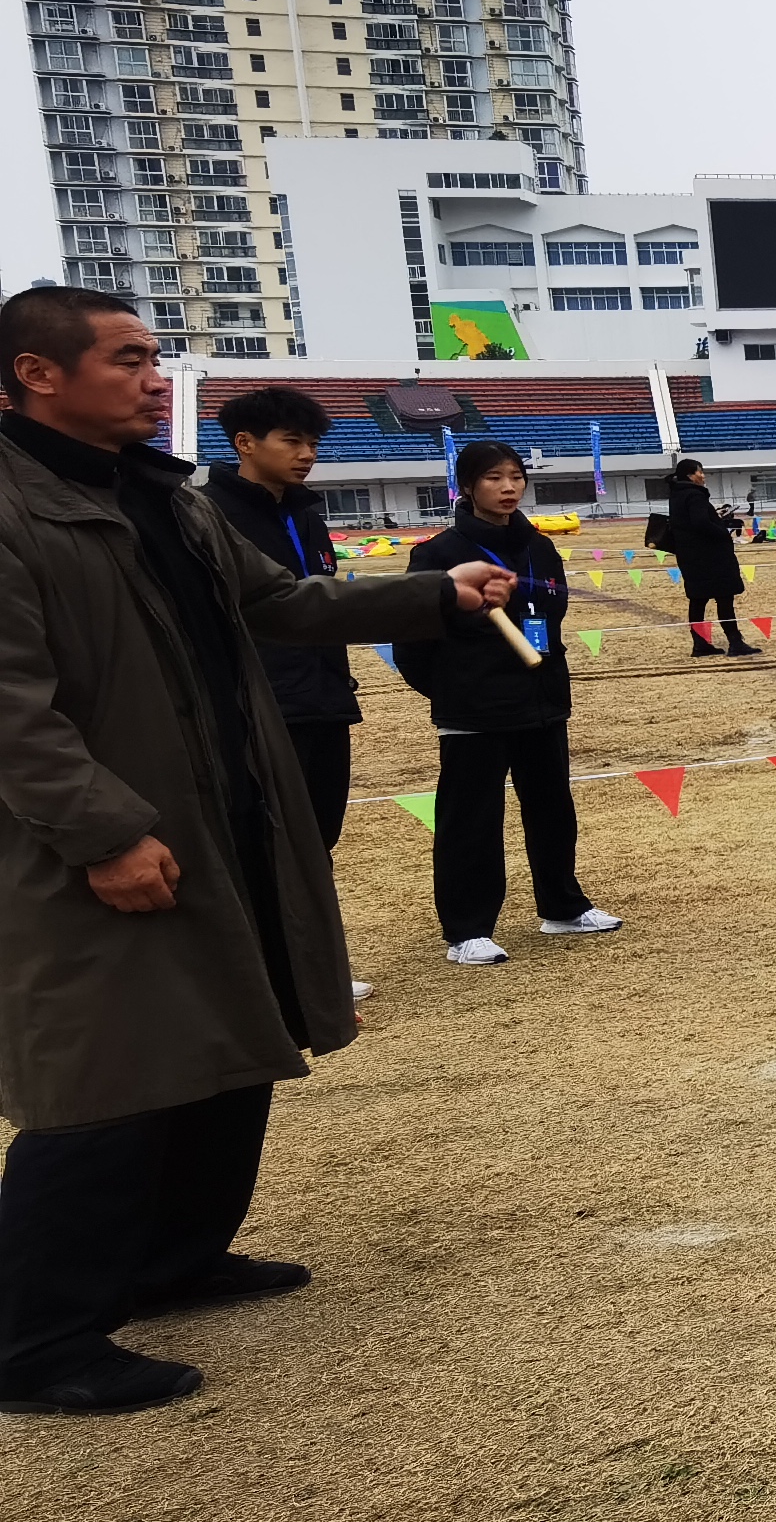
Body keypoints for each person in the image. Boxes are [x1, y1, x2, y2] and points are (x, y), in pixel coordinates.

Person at [0, 291, 518, 1415]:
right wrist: (102, 832)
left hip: (223, 816)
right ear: (39, 375)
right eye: (128, 359)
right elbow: (11, 711)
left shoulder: (164, 496)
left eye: (153, 357)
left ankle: (176, 1260)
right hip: (97, 840)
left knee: (234, 1039)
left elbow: (281, 603)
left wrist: (436, 593)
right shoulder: (13, 506)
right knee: (104, 1078)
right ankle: (36, 1342)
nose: (155, 378)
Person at [398, 440, 616, 968]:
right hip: (474, 710)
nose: (508, 487)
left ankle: (562, 907)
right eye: (494, 478)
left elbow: (552, 616)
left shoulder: (540, 547)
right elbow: (412, 642)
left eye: (516, 477)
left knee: (552, 808)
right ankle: (467, 929)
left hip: (541, 701)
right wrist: (455, 690)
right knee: (470, 819)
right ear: (467, 486)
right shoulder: (439, 554)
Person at [202, 390, 370, 1007]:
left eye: (312, 443)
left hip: (324, 699)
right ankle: (264, 979)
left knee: (318, 841)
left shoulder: (305, 514)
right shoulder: (208, 515)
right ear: (245, 443)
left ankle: (315, 970)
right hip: (259, 708)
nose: (306, 454)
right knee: (264, 844)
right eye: (292, 441)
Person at [657, 457, 754, 655]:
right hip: (709, 556)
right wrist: (722, 532)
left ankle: (700, 643)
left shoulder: (677, 494)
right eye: (699, 472)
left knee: (698, 599)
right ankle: (735, 642)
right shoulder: (694, 495)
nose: (703, 475)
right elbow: (700, 522)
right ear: (690, 475)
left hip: (690, 555)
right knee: (724, 597)